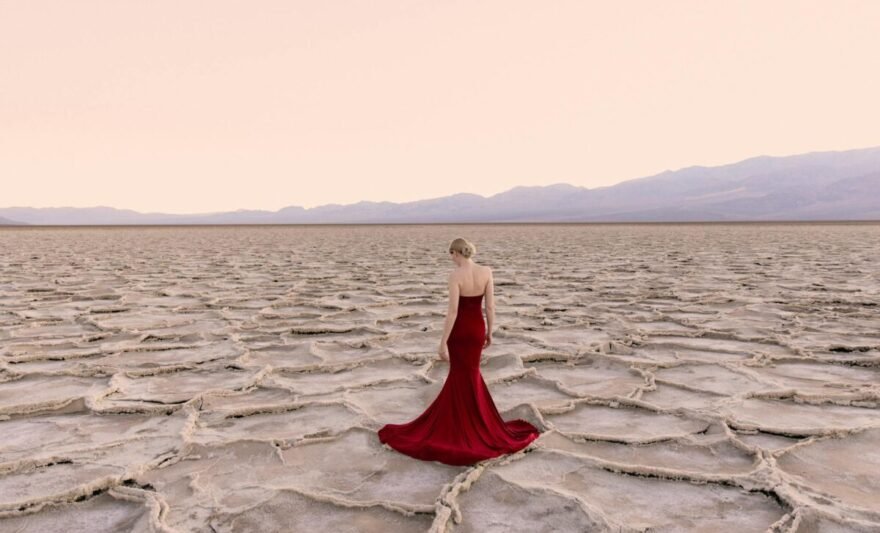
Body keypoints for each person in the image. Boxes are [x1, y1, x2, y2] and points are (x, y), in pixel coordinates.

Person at [377, 237, 541, 466]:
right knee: (471, 374)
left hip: (460, 330)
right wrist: (490, 331)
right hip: (476, 329)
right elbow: (490, 307)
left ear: (456, 253)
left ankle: (460, 425)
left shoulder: (455, 276)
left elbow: (452, 312)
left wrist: (442, 341)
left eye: (451, 255)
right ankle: (475, 420)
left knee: (459, 374)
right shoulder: (486, 271)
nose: (452, 259)